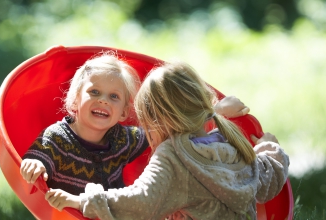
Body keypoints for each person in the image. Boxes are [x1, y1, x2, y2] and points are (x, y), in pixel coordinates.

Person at [44, 61, 290, 219]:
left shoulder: (174, 156)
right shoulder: (231, 144)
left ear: (156, 122)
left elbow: (140, 203)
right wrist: (270, 149)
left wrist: (82, 201)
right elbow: (268, 180)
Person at [20, 53, 251, 195]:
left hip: (114, 212)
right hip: (67, 213)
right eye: (94, 92)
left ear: (123, 112)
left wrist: (216, 111)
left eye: (114, 97)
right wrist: (36, 164)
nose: (103, 100)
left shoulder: (122, 138)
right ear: (74, 100)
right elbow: (40, 155)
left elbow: (171, 128)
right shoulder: (57, 137)